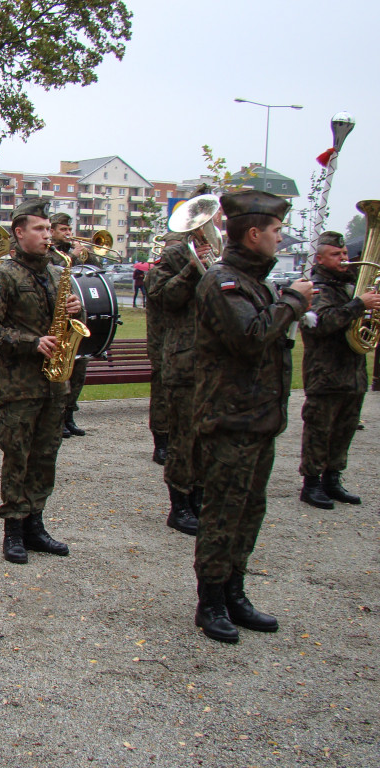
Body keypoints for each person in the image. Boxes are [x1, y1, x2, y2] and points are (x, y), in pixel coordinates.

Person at [192, 190, 312, 644]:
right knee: (223, 514)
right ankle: (211, 602)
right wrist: (294, 304)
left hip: (258, 418)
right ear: (255, 233)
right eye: (277, 231)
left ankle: (235, 591)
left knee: (250, 511)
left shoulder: (257, 281)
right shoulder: (223, 281)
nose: (281, 239)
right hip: (229, 421)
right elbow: (250, 336)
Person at [0, 198, 81, 564]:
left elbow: (58, 318)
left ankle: (36, 523)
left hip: (54, 383)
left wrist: (71, 311)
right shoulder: (3, 274)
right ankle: (14, 530)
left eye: (49, 229)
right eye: (39, 229)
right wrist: (32, 343)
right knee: (17, 456)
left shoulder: (53, 272)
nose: (47, 235)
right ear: (19, 233)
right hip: (21, 385)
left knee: (46, 456)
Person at [298, 231, 380, 508]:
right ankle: (311, 483)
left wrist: (367, 309)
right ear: (320, 258)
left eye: (344, 254)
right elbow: (320, 323)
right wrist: (360, 305)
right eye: (336, 255)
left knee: (345, 429)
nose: (344, 259)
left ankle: (333, 479)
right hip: (326, 373)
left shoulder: (350, 287)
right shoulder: (316, 288)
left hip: (352, 372)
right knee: (320, 429)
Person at [146, 230, 213, 535]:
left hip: (212, 362)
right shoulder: (170, 263)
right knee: (183, 438)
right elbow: (164, 297)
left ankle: (199, 498)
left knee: (206, 437)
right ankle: (180, 505)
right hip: (183, 361)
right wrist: (193, 265)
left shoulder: (218, 262)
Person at [49, 212, 98, 437]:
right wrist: (74, 257)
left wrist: (87, 253)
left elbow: (96, 271)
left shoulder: (73, 253)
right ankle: (56, 418)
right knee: (60, 371)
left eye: (69, 230)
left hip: (77, 314)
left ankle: (69, 415)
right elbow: (54, 270)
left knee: (79, 369)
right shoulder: (49, 254)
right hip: (56, 318)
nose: (68, 234)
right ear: (51, 231)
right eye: (63, 230)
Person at [145, 238, 177, 465]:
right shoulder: (157, 273)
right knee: (162, 396)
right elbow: (169, 296)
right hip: (163, 345)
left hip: (190, 345)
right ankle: (162, 442)